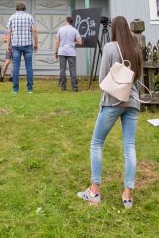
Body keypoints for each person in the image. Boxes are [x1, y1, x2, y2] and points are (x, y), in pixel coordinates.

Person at [77, 16, 143, 209]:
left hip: (113, 102)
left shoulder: (109, 47)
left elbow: (103, 78)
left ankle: (94, 191)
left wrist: (103, 102)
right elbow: (138, 80)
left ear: (114, 29)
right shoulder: (136, 50)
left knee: (96, 143)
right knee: (129, 146)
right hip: (133, 102)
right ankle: (127, 195)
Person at [5, 2, 38, 93]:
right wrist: (36, 43)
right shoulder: (29, 17)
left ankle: (15, 89)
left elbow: (9, 32)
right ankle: (30, 89)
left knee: (16, 67)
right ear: (24, 8)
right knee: (29, 67)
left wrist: (8, 45)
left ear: (16, 9)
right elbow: (34, 31)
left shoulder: (12, 17)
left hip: (16, 45)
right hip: (28, 45)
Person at [54, 16, 83, 91]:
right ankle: (75, 87)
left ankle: (63, 87)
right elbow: (80, 42)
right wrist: (73, 41)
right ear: (72, 22)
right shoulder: (75, 30)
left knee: (62, 69)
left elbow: (57, 41)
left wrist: (56, 52)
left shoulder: (60, 29)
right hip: (71, 52)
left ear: (66, 21)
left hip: (62, 51)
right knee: (72, 69)